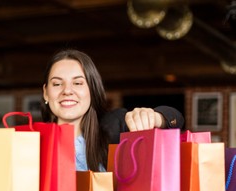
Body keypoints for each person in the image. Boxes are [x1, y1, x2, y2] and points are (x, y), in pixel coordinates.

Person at [41, 49, 184, 172]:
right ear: (46, 92)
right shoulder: (31, 144)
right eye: (57, 84)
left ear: (92, 90)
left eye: (77, 83)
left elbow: (176, 119)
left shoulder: (113, 126)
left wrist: (156, 117)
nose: (67, 91)